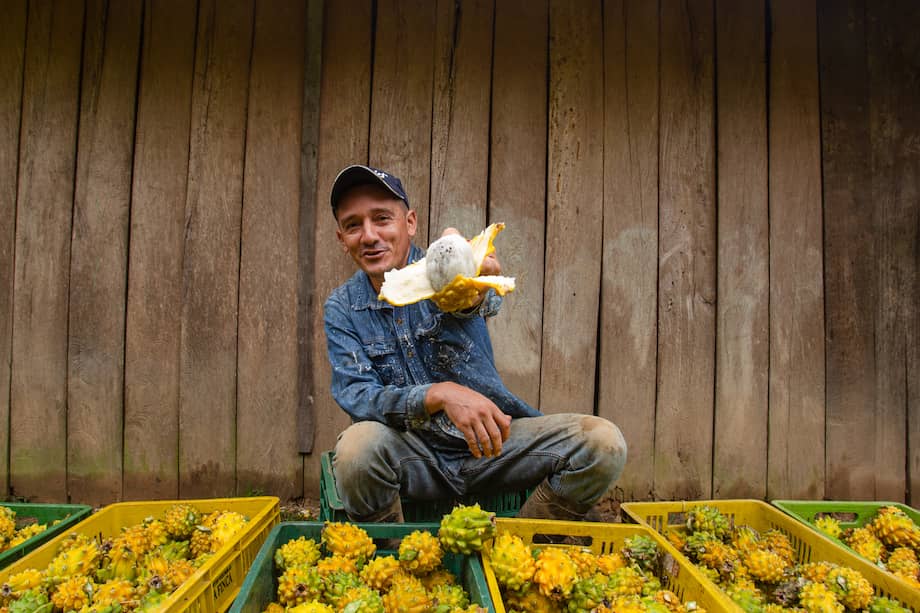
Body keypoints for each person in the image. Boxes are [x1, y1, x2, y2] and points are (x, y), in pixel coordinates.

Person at [323, 164, 627, 522]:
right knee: (357, 449)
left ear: (410, 223)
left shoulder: (447, 265)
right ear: (342, 239)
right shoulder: (341, 308)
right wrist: (438, 394)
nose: (370, 235)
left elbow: (479, 297)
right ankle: (395, 561)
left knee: (603, 443)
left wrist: (476, 286)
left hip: (492, 444)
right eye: (353, 225)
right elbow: (358, 396)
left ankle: (521, 545)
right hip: (413, 457)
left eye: (382, 219)